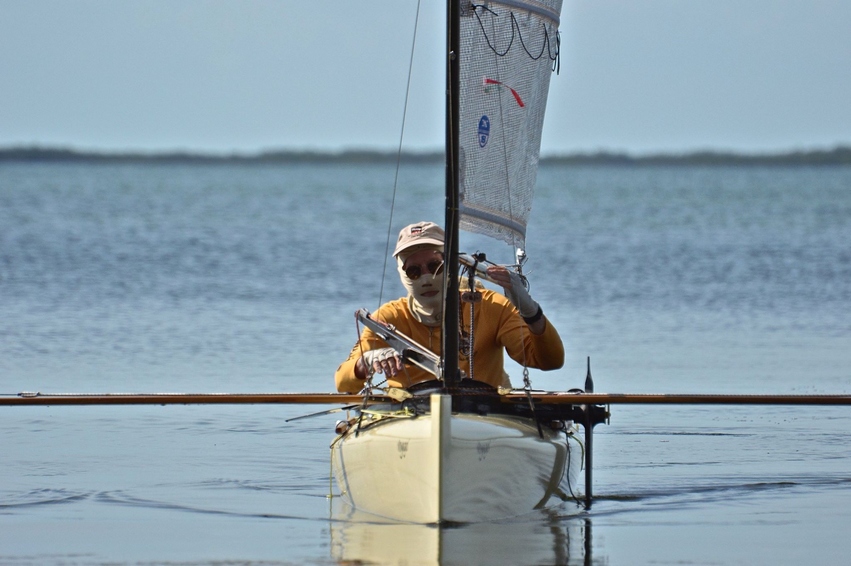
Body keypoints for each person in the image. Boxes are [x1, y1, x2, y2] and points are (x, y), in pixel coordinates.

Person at [334, 221, 564, 393]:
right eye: (414, 271)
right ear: (402, 275)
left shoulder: (491, 307)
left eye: (435, 266)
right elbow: (343, 383)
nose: (426, 278)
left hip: (483, 416)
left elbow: (550, 361)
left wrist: (531, 312)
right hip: (406, 422)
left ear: (451, 265)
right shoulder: (388, 317)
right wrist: (365, 362)